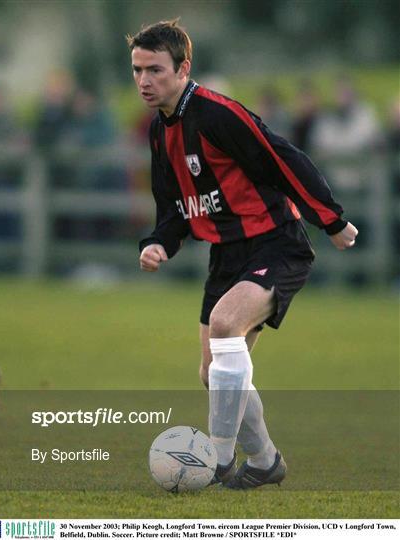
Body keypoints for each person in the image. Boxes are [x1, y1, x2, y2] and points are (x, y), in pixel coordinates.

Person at [127, 19, 358, 490]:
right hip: (226, 255)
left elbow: (283, 158)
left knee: (226, 325)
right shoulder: (159, 133)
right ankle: (265, 461)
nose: (144, 81)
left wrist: (330, 219)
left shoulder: (218, 115)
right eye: (137, 70)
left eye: (154, 70)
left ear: (183, 68)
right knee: (213, 375)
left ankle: (216, 458)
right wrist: (157, 242)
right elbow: (173, 208)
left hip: (276, 242)